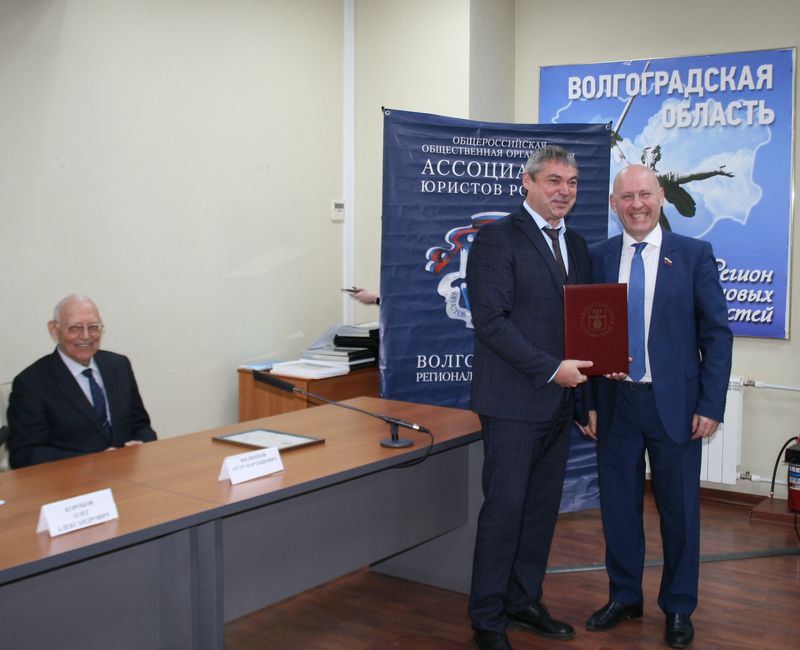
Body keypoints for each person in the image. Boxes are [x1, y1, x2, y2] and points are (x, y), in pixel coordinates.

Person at [583, 165, 732, 648]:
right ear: (613, 204)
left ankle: (679, 606)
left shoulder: (693, 255)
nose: (637, 205)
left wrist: (711, 403)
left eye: (644, 194)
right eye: (626, 197)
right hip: (615, 405)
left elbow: (716, 334)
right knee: (619, 511)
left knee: (680, 513)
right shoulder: (597, 256)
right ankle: (625, 596)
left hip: (677, 407)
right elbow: (582, 334)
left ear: (661, 196)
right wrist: (586, 402)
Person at [465, 145, 594, 650]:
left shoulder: (576, 244)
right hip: (512, 404)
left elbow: (584, 326)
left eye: (572, 183)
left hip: (559, 405)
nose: (564, 191)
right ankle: (487, 619)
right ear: (528, 182)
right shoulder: (496, 239)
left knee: (540, 512)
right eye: (554, 181)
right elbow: (491, 323)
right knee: (505, 511)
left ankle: (523, 602)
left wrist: (584, 398)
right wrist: (551, 370)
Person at [8, 294, 157, 468]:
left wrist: (142, 444)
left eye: (93, 327)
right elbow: (24, 454)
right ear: (54, 330)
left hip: (127, 473)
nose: (86, 336)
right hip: (70, 480)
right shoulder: (31, 383)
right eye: (75, 328)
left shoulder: (118, 365)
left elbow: (141, 425)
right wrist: (92, 461)